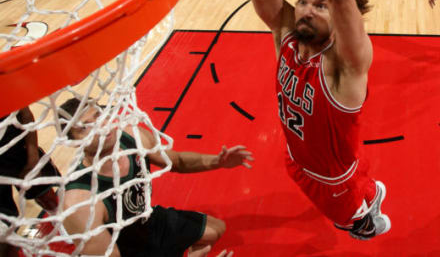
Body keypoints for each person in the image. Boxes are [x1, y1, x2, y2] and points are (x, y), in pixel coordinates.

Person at [233, 0, 390, 240]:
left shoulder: (346, 64)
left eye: (320, 6)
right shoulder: (286, 31)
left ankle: (365, 212)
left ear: (340, 13)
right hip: (297, 156)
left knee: (351, 225)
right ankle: (367, 193)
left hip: (335, 180)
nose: (305, 10)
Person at [58, 98, 254, 257]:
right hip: (126, 248)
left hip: (148, 220)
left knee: (216, 229)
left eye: (99, 116)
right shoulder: (79, 203)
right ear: (72, 142)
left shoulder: (132, 137)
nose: (101, 127)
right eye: (85, 127)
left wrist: (218, 162)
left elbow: (176, 161)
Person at [0, 107, 60, 257]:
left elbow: (26, 115)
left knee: (47, 197)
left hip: (18, 150)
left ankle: (62, 222)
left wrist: (33, 157)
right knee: (5, 235)